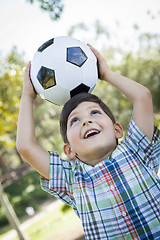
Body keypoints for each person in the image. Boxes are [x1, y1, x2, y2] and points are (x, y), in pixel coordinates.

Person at [16, 44, 160, 239]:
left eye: (95, 112)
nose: (86, 120)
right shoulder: (72, 179)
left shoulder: (136, 148)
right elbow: (25, 147)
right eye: (75, 120)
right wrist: (27, 95)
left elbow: (143, 97)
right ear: (69, 150)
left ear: (117, 129)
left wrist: (107, 74)